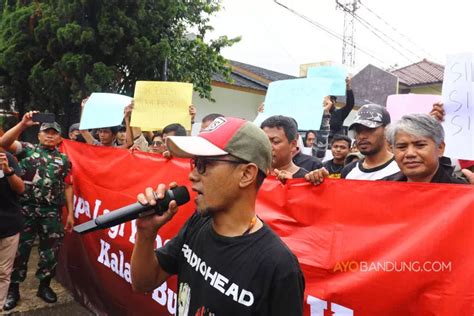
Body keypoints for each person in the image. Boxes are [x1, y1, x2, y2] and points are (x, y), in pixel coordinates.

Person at [131, 117, 305, 315]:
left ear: (246, 174)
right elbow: (143, 282)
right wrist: (146, 232)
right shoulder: (199, 223)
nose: (193, 175)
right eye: (194, 162)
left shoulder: (278, 266)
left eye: (204, 164)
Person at [0, 113, 74, 310]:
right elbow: (5, 142)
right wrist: (23, 124)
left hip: (51, 212)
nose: (49, 136)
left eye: (54, 133)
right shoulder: (27, 149)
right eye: (45, 132)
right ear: (39, 135)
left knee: (50, 252)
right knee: (20, 252)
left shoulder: (64, 160)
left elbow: (68, 186)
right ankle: (14, 289)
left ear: (60, 138)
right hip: (25, 209)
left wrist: (71, 214)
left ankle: (44, 286)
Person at [382, 114, 467, 184]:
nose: (410, 154)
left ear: (440, 148)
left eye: (420, 145)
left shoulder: (463, 193)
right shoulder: (382, 188)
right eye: (402, 147)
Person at [340, 103, 399, 180]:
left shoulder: (401, 170)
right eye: (358, 130)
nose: (362, 136)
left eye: (369, 129)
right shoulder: (348, 171)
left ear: (386, 130)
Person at [0, 151, 24, 312]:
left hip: (8, 226)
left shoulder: (6, 158)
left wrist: (8, 171)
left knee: (3, 273)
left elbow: (20, 189)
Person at [261, 115, 309, 181]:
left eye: (275, 141)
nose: (268, 147)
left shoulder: (305, 180)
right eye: (265, 141)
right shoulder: (253, 176)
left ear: (293, 144)